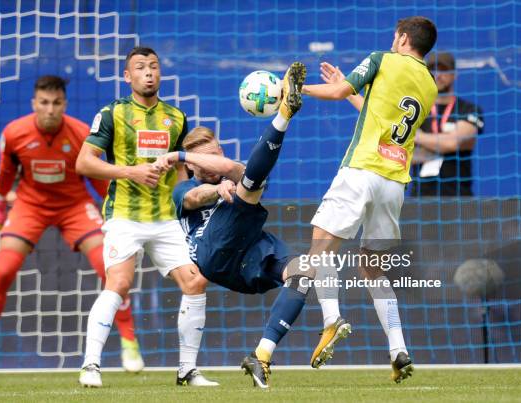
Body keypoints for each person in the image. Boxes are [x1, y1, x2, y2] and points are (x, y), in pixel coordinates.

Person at [0, 75, 144, 376]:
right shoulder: (14, 133)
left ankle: (129, 342)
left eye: (56, 103)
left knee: (108, 267)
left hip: (74, 206)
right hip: (30, 205)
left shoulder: (81, 134)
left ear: (65, 104)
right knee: (3, 270)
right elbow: (7, 174)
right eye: (44, 103)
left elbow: (99, 182)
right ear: (34, 103)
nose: (50, 109)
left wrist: (117, 214)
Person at [300, 16, 438, 383]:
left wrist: (297, 89)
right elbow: (379, 115)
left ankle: (331, 320)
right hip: (394, 184)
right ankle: (398, 348)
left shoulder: (382, 58)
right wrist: (348, 90)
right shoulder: (429, 85)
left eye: (396, 37)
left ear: (404, 38)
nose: (393, 41)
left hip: (361, 171)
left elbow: (334, 93)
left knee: (319, 250)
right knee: (373, 269)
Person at [155, 62, 308, 389]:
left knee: (304, 271)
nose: (208, 167)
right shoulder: (183, 189)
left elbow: (234, 169)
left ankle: (262, 355)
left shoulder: (233, 170)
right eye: (198, 162)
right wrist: (213, 187)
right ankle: (284, 115)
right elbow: (196, 196)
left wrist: (189, 159)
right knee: (249, 189)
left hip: (247, 256)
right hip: (213, 252)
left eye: (211, 156)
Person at [75, 46, 217, 388]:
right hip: (125, 216)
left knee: (196, 282)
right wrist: (132, 172)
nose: (148, 72)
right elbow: (84, 163)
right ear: (128, 76)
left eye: (153, 66)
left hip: (165, 219)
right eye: (140, 67)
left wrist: (191, 201)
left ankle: (187, 370)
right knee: (120, 284)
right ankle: (90, 365)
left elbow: (181, 172)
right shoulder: (112, 113)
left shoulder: (176, 118)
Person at [411, 52, 484, 196]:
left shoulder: (469, 109)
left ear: (454, 74)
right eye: (432, 70)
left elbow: (453, 143)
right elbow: (405, 155)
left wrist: (417, 136)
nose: (437, 75)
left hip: (459, 197)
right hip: (420, 198)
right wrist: (443, 143)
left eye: (443, 70)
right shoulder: (414, 109)